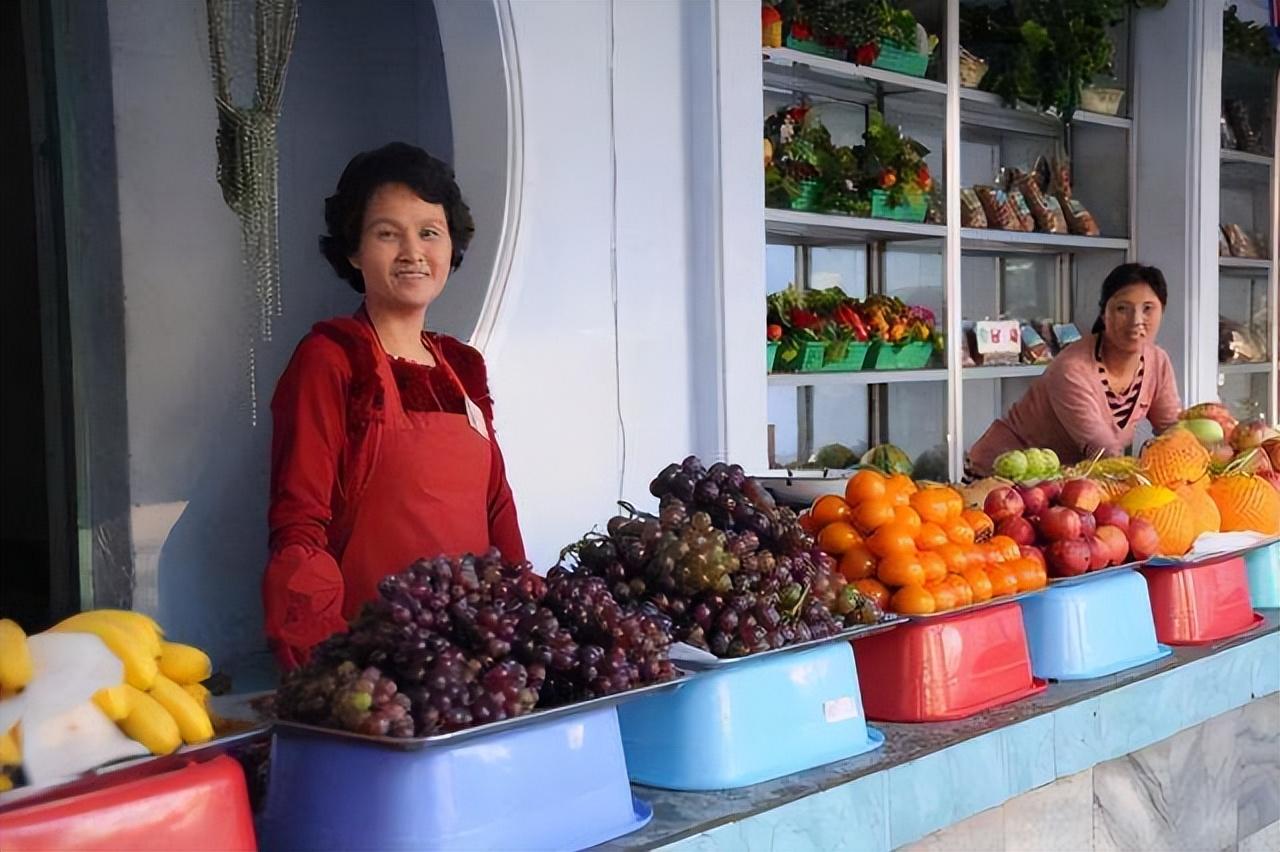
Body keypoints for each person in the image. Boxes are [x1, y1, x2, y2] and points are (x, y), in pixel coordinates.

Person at [263, 143, 525, 669]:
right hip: (376, 661)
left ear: (452, 247)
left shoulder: (461, 366)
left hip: (473, 658)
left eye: (429, 232)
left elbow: (496, 508)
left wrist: (519, 619)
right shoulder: (332, 360)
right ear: (354, 251)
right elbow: (301, 522)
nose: (412, 251)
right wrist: (329, 667)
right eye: (387, 233)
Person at [967, 262, 1183, 477]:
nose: (1136, 321)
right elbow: (1101, 450)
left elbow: (1171, 429)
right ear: (1103, 314)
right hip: (1002, 477)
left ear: (1162, 310)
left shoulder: (1158, 362)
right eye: (1122, 309)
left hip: (1065, 483)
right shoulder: (1072, 368)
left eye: (1148, 309)